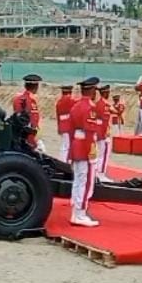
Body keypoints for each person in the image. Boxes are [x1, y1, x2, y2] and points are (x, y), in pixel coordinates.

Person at [69, 77, 103, 227]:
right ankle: (80, 213)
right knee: (86, 182)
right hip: (85, 147)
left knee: (78, 180)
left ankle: (76, 211)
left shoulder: (75, 106)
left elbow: (71, 130)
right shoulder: (90, 108)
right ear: (92, 90)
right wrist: (91, 152)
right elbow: (89, 132)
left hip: (76, 145)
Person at [12, 74, 43, 151]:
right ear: (36, 87)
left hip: (20, 133)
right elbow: (33, 120)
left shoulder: (18, 98)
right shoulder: (30, 100)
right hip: (28, 135)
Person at [95, 83, 114, 182]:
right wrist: (105, 133)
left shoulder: (98, 104)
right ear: (105, 93)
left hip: (99, 132)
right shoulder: (104, 105)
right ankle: (101, 174)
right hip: (103, 132)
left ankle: (97, 172)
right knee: (104, 154)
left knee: (100, 153)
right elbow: (104, 121)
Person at [55, 84, 76, 162]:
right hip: (69, 126)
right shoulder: (72, 101)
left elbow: (58, 116)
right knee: (67, 146)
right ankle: (65, 161)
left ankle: (62, 160)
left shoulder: (59, 102)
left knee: (64, 145)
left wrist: (59, 128)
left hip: (62, 125)